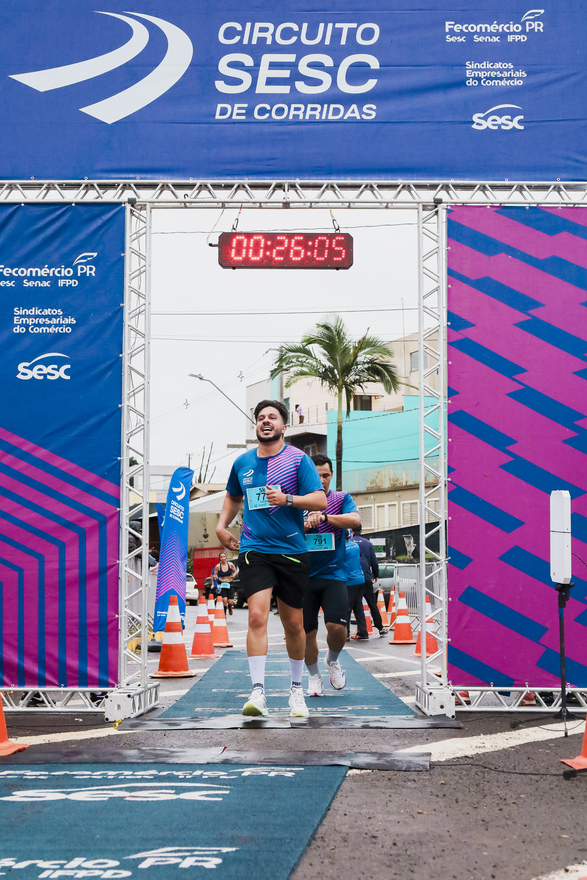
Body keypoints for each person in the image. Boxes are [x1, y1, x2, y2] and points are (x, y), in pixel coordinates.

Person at [216, 399, 327, 718]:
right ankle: (258, 693)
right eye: (261, 417)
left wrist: (288, 499)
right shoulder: (243, 462)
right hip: (254, 550)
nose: (266, 421)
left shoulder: (297, 460)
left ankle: (296, 692)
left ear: (283, 426)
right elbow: (233, 497)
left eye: (272, 417)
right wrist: (222, 526)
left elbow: (319, 499)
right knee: (256, 616)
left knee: (294, 624)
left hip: (292, 552)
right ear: (257, 426)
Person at [303, 454, 360, 696]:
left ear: (331, 476)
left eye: (325, 475)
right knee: (306, 634)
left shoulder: (340, 498)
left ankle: (333, 660)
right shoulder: (297, 501)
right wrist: (301, 525)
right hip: (302, 577)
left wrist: (325, 517)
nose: (321, 480)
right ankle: (314, 676)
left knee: (338, 629)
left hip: (333, 574)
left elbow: (355, 520)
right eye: (315, 476)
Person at [350, 524, 387, 638]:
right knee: (372, 603)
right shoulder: (368, 543)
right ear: (361, 530)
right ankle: (380, 627)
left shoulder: (349, 543)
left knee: (354, 605)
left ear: (351, 530)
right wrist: (375, 574)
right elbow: (374, 562)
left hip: (353, 578)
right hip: (366, 576)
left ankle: (357, 631)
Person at [345, 530, 369, 639]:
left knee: (346, 608)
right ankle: (363, 632)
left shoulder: (341, 548)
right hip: (360, 578)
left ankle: (345, 633)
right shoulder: (355, 546)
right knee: (358, 607)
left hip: (349, 580)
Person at [211, 551, 237, 615]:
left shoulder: (230, 564)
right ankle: (224, 615)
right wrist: (215, 576)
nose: (223, 558)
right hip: (222, 584)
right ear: (219, 558)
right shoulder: (218, 566)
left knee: (231, 602)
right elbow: (215, 574)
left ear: (226, 557)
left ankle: (230, 607)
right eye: (221, 557)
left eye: (224, 557)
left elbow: (235, 571)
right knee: (224, 600)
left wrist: (233, 575)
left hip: (229, 583)